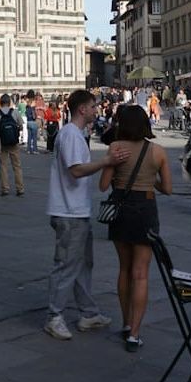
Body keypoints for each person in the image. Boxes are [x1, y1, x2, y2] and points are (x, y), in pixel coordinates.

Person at [44, 90, 128, 341]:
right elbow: (76, 171)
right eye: (93, 106)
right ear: (82, 109)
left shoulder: (76, 134)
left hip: (77, 211)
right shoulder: (70, 134)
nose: (96, 110)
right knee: (67, 265)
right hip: (68, 212)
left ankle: (88, 313)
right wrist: (107, 162)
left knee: (82, 264)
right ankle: (54, 317)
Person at [99, 104, 172, 351]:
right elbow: (169, 189)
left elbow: (103, 184)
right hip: (145, 209)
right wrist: (151, 180)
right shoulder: (159, 151)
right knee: (141, 273)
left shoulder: (115, 148)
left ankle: (126, 323)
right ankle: (135, 334)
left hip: (120, 210)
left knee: (124, 269)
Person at [0, 93, 25, 197]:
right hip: (13, 143)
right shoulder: (15, 112)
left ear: (1, 102)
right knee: (17, 166)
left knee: (3, 166)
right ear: (9, 102)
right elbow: (21, 126)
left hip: (2, 143)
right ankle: (20, 188)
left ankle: (5, 189)